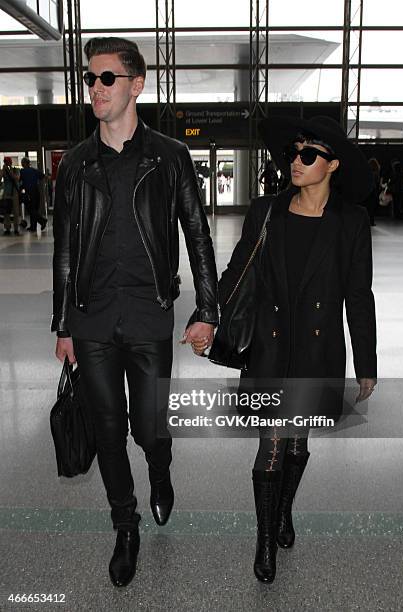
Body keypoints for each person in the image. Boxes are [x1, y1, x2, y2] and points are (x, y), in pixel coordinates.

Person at [52, 36, 218, 588]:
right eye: (89, 80)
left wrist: (207, 308)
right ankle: (126, 526)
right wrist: (62, 325)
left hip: (150, 315)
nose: (94, 89)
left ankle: (160, 469)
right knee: (106, 429)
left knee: (149, 428)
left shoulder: (169, 157)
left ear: (136, 85)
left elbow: (197, 234)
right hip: (92, 319)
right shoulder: (76, 166)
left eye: (106, 79)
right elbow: (65, 251)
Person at [191, 115, 377, 584]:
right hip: (271, 347)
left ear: (331, 165)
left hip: (318, 350)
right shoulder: (266, 210)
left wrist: (366, 363)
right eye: (294, 152)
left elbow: (359, 294)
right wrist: (206, 318)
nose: (296, 161)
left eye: (309, 154)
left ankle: (285, 509)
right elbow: (236, 271)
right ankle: (265, 539)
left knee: (298, 442)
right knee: (271, 446)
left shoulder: (351, 222)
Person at [19, 157, 47, 231]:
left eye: (22, 162)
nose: (21, 164)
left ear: (25, 163)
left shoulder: (23, 171)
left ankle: (42, 221)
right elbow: (43, 176)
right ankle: (33, 227)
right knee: (34, 209)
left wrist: (21, 188)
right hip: (36, 191)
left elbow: (20, 181)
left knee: (31, 209)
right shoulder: (34, 170)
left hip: (29, 192)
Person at [0, 157, 21, 235]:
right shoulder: (3, 171)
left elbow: (17, 178)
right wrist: (3, 170)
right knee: (6, 212)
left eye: (8, 162)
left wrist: (9, 171)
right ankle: (7, 228)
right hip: (6, 193)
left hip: (15, 193)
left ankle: (16, 228)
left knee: (16, 211)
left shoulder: (16, 170)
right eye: (5, 162)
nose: (7, 163)